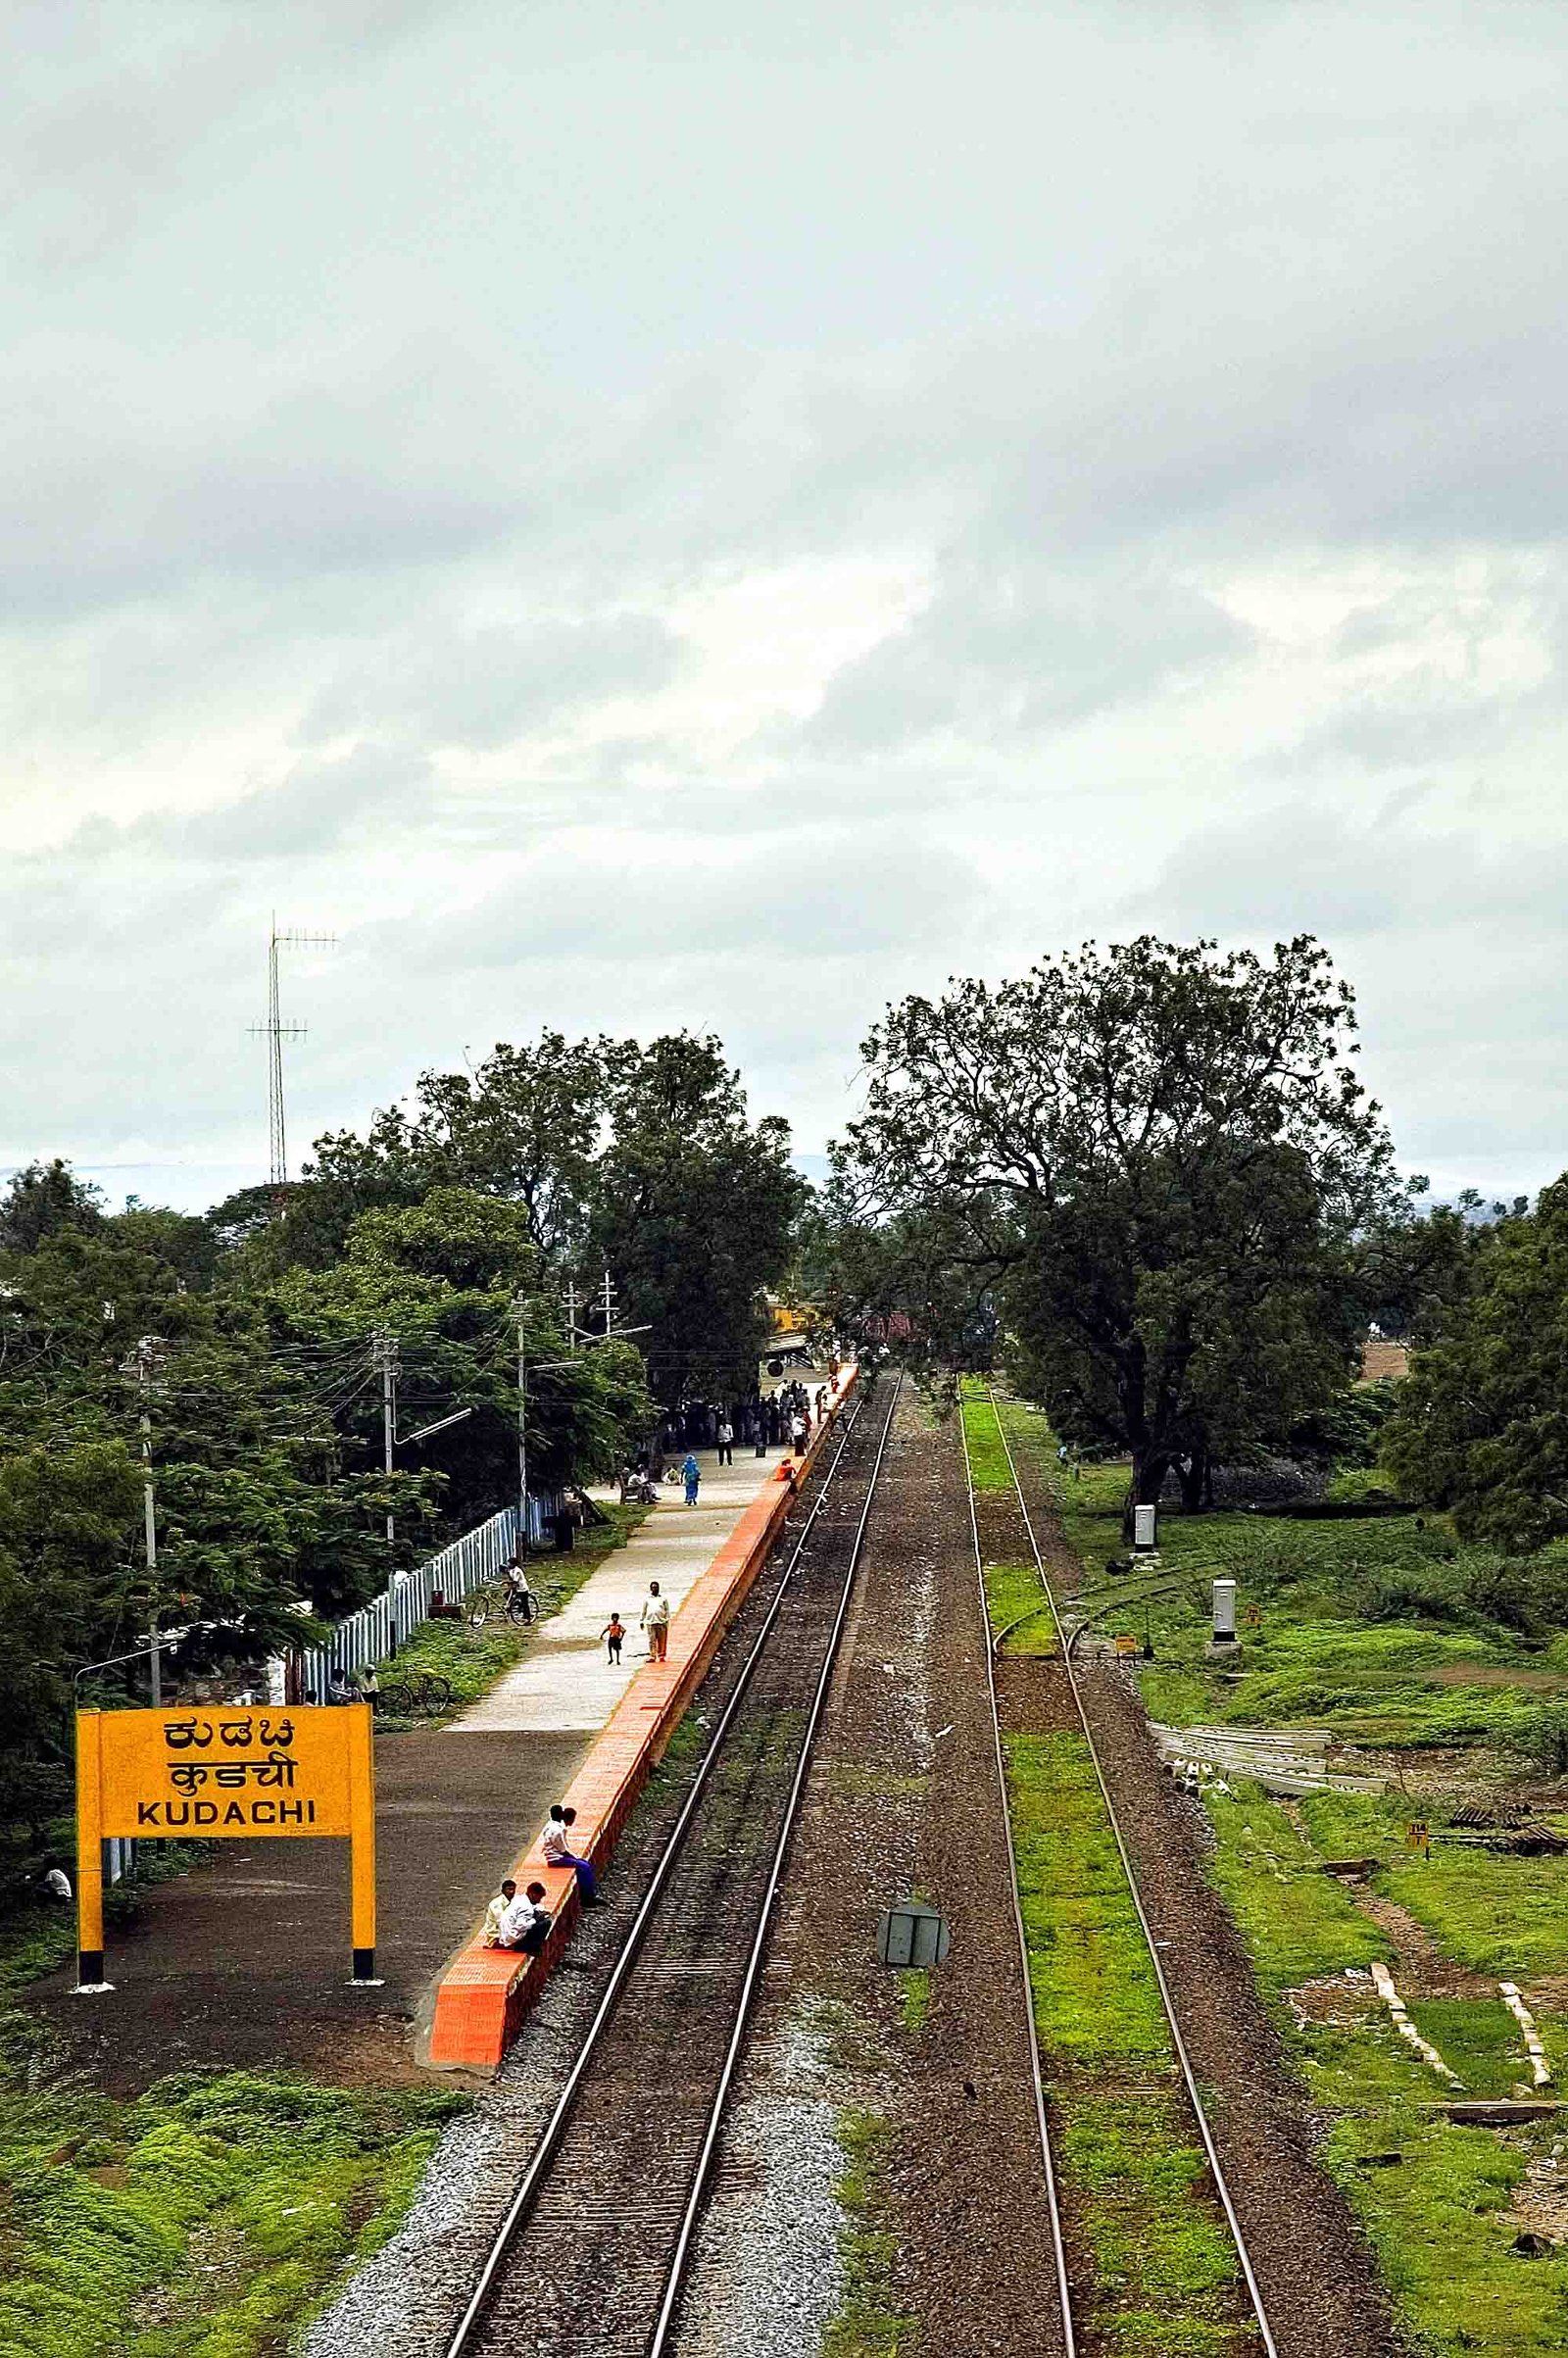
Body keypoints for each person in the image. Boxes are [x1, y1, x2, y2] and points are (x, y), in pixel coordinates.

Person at [541, 1804, 600, 1903]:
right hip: (556, 1859)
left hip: (556, 1856)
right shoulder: (557, 1831)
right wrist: (575, 1858)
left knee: (583, 1865)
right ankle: (588, 1897)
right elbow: (563, 1850)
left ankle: (587, 1894)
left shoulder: (550, 1826)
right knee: (584, 1866)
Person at [497, 1880, 552, 1955]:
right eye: (539, 1898)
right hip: (513, 1937)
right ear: (532, 1894)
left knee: (537, 1916)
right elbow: (520, 1926)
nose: (539, 1901)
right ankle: (531, 1948)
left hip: (506, 1935)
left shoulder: (519, 1898)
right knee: (546, 1922)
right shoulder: (526, 1908)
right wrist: (535, 1920)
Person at [481, 1878, 517, 1946]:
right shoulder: (496, 1904)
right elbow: (502, 1922)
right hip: (496, 1935)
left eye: (513, 1889)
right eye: (509, 1889)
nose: (511, 1892)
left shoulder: (516, 1900)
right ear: (503, 1891)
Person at [642, 1579, 670, 1662]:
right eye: (653, 1587)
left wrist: (667, 1620)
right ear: (651, 1589)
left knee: (662, 1640)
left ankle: (661, 1655)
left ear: (659, 1588)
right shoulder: (647, 1599)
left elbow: (667, 1610)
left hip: (661, 1622)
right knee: (652, 1640)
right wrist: (641, 1620)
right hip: (650, 1622)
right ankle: (652, 1656)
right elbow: (644, 1610)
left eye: (656, 1587)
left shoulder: (663, 1599)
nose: (655, 1589)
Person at [506, 1556, 537, 1623]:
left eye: (509, 1563)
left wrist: (506, 1582)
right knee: (506, 1595)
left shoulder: (517, 1571)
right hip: (516, 1588)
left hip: (522, 1588)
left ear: (513, 1564)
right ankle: (516, 1604)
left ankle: (528, 1618)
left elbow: (515, 1580)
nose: (508, 1565)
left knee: (525, 1603)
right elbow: (511, 1578)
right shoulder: (510, 1570)